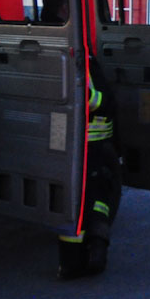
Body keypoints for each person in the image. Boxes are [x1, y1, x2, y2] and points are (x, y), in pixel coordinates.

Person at [58, 58, 122, 280]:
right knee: (96, 198)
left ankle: (73, 263)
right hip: (92, 143)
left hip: (86, 142)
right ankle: (95, 250)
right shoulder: (83, 62)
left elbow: (99, 101)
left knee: (74, 202)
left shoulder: (76, 63)